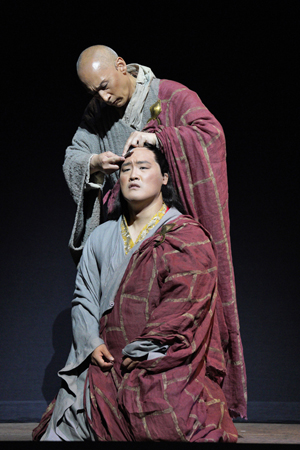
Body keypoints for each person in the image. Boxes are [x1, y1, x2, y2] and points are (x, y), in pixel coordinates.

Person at [63, 44, 247, 419]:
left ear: (120, 66)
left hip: (165, 230)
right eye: (92, 92)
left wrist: (160, 139)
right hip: (122, 231)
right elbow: (74, 155)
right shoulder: (97, 112)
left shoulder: (170, 95)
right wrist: (95, 162)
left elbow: (210, 135)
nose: (102, 97)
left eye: (104, 85)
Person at [33, 144, 239, 442]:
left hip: (160, 360)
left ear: (165, 178)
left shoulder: (186, 235)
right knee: (59, 433)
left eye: (143, 167)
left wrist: (147, 348)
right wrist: (91, 343)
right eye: (126, 169)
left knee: (170, 426)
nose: (133, 175)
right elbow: (84, 297)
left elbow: (186, 303)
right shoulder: (102, 236)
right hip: (104, 363)